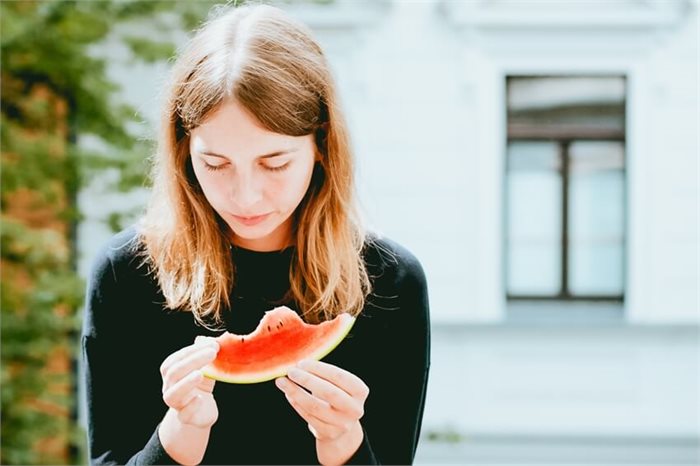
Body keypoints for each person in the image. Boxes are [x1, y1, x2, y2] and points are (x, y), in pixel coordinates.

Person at [81, 4, 430, 465]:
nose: (245, 197)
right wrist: (177, 437)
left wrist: (344, 445)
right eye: (216, 164)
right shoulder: (127, 273)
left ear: (322, 146)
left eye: (275, 163)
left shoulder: (389, 281)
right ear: (184, 151)